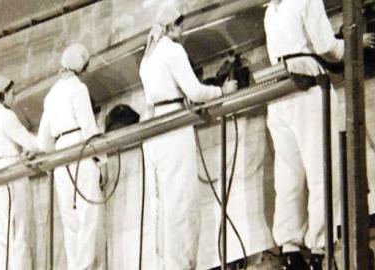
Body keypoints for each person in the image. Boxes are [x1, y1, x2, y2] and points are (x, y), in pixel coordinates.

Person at [264, 0, 375, 269]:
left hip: (278, 94)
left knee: (289, 176)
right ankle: (318, 249)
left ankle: (290, 251)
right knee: (322, 171)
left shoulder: (271, 10)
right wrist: (357, 42)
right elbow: (327, 46)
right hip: (308, 91)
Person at [139, 6, 237, 269]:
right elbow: (193, 91)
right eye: (180, 25)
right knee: (182, 202)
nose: (183, 31)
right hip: (174, 128)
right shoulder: (172, 50)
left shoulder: (147, 57)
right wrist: (221, 91)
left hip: (155, 130)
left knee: (163, 203)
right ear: (171, 26)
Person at [38, 43, 104, 270]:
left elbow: (42, 140)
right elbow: (89, 126)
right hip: (79, 148)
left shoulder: (51, 94)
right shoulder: (78, 88)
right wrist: (101, 160)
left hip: (60, 156)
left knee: (70, 223)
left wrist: (52, 164)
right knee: (89, 216)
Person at [0, 76, 38, 270]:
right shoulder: (5, 115)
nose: (14, 97)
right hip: (11, 176)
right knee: (19, 232)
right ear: (2, 94)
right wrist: (45, 145)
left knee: (4, 238)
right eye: (12, 93)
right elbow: (28, 141)